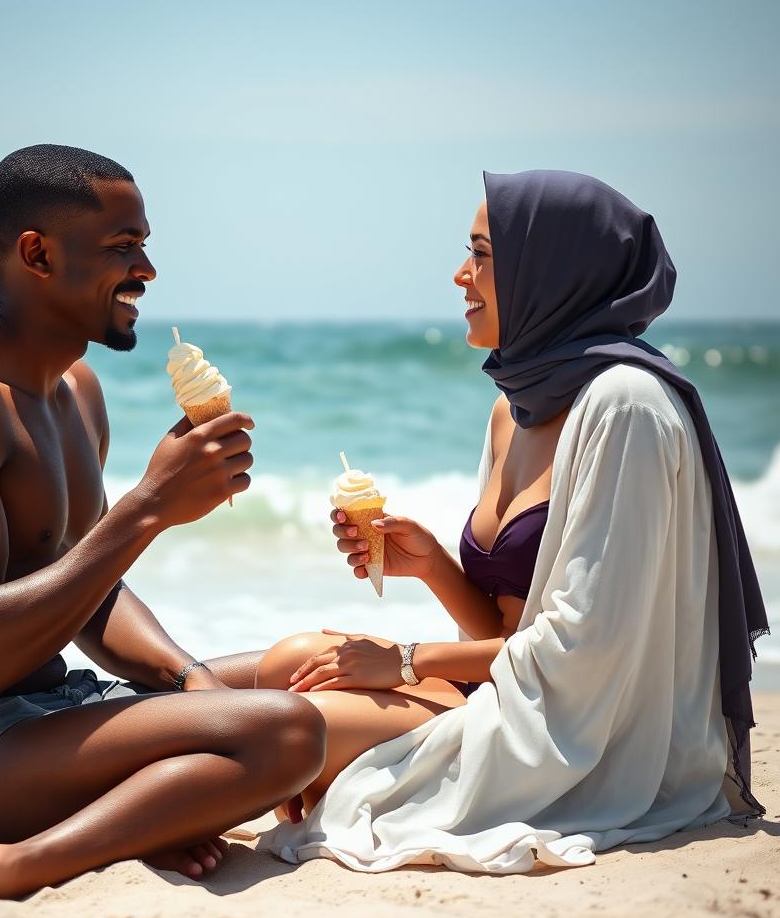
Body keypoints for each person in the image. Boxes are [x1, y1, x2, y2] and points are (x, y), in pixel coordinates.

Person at [0, 144, 326, 910]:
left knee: (305, 672)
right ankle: (31, 862)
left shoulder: (76, 391)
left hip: (53, 710)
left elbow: (87, 589)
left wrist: (186, 678)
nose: (147, 271)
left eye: (144, 245)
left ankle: (145, 815)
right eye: (121, 247)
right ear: (36, 253)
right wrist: (147, 509)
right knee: (288, 731)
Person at [253, 170, 768, 873]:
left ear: (548, 271)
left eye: (482, 256)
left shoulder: (626, 407)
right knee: (286, 664)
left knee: (287, 724)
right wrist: (431, 564)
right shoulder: (516, 407)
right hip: (508, 686)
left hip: (567, 733)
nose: (460, 275)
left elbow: (582, 654)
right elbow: (504, 636)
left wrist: (404, 659)